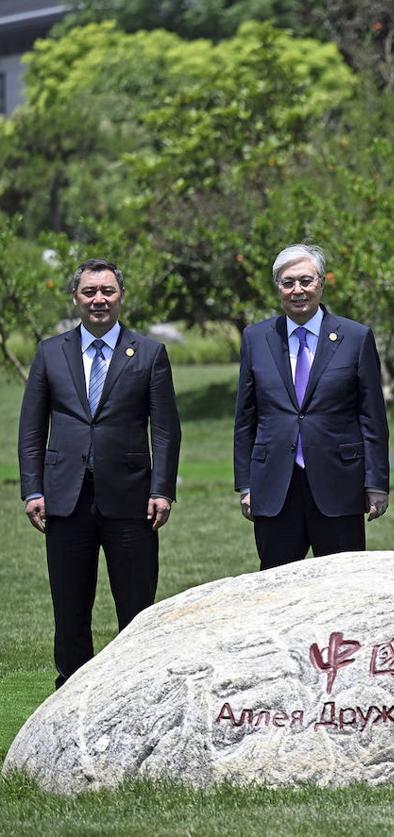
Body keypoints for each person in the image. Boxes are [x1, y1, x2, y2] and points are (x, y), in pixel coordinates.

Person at [18, 258, 181, 688]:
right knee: (70, 605)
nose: (99, 299)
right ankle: (70, 689)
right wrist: (32, 489)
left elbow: (165, 430)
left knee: (136, 603)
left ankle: (138, 688)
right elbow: (32, 428)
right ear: (75, 297)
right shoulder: (50, 352)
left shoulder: (149, 353)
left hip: (131, 498)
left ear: (120, 296)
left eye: (107, 290)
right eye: (90, 291)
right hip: (65, 498)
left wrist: (162, 489)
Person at [233, 244, 390, 570]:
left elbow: (372, 417)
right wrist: (246, 484)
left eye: (306, 280)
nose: (298, 290)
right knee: (275, 588)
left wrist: (376, 483)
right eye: (288, 282)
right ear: (278, 287)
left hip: (339, 486)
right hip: (275, 486)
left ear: (321, 282)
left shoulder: (356, 337)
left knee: (342, 587)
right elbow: (246, 418)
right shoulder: (256, 338)